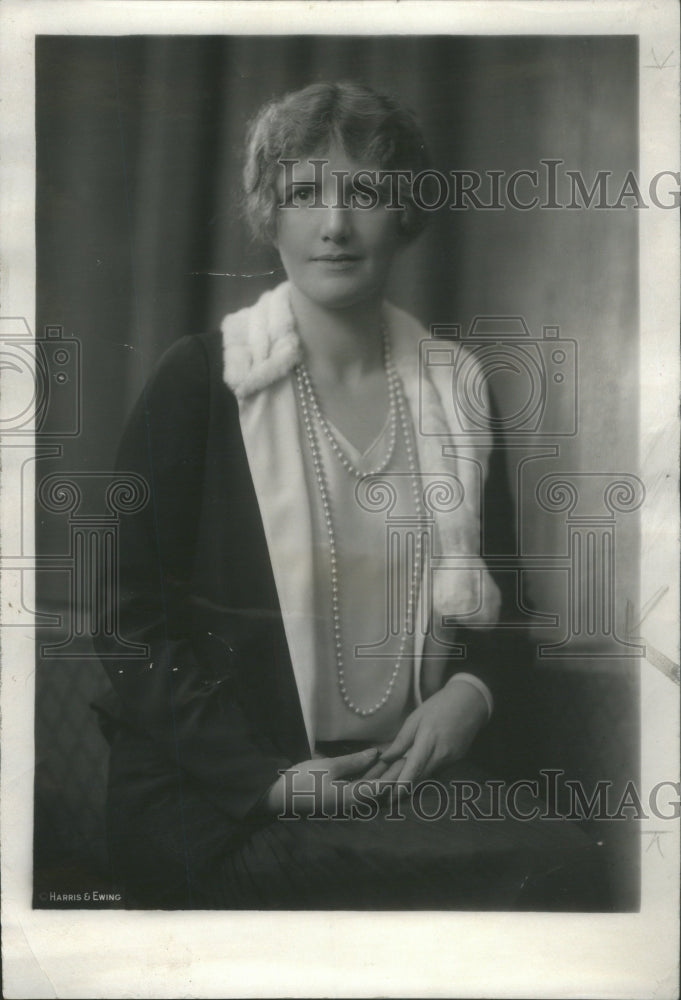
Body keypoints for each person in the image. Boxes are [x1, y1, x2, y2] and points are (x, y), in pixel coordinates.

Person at [95, 81, 605, 909]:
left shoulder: (457, 391)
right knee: (549, 878)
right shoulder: (200, 382)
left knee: (565, 866)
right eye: (303, 193)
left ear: (404, 211)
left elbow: (504, 613)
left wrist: (469, 698)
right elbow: (129, 624)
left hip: (395, 780)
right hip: (225, 801)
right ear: (270, 213)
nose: (333, 224)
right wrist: (270, 782)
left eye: (364, 191)